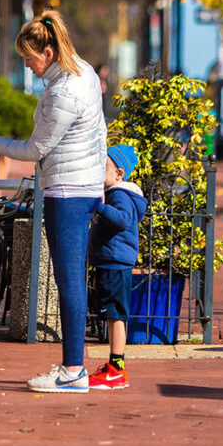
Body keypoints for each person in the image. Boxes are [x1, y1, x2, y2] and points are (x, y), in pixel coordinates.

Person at [0, 10, 106, 393]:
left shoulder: (64, 91)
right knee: (72, 279)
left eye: (29, 58)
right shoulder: (84, 73)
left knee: (69, 282)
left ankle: (73, 370)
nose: (27, 66)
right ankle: (72, 366)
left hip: (67, 191)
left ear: (47, 50)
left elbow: (35, 147)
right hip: (85, 186)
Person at [87, 144, 147, 390]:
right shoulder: (117, 194)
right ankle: (114, 366)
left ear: (119, 174)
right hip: (111, 260)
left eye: (101, 167)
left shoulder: (119, 194)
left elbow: (122, 220)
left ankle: (117, 369)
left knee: (115, 314)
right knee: (112, 314)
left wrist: (98, 206)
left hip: (115, 262)